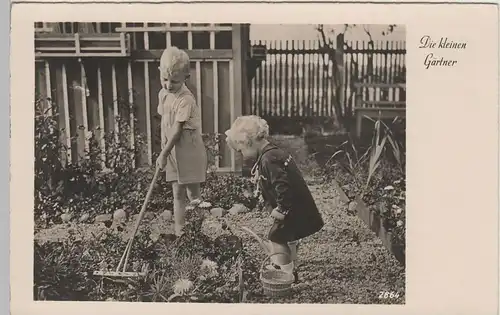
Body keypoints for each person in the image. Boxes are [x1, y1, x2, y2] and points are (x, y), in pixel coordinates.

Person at [225, 115, 324, 281]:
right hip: (296, 204)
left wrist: (282, 209)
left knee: (276, 237)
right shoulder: (271, 153)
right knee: (284, 235)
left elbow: (283, 185)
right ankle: (284, 264)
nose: (242, 156)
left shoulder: (268, 159)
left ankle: (287, 273)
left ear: (248, 142)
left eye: (240, 151)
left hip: (292, 207)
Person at [156, 46, 207, 237]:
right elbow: (165, 123)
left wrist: (163, 153)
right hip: (172, 151)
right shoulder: (164, 94)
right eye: (165, 79)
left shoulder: (186, 100)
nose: (169, 85)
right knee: (177, 192)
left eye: (174, 81)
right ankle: (181, 233)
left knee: (193, 195)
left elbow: (177, 130)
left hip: (188, 151)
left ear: (186, 77)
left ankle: (198, 230)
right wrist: (165, 149)